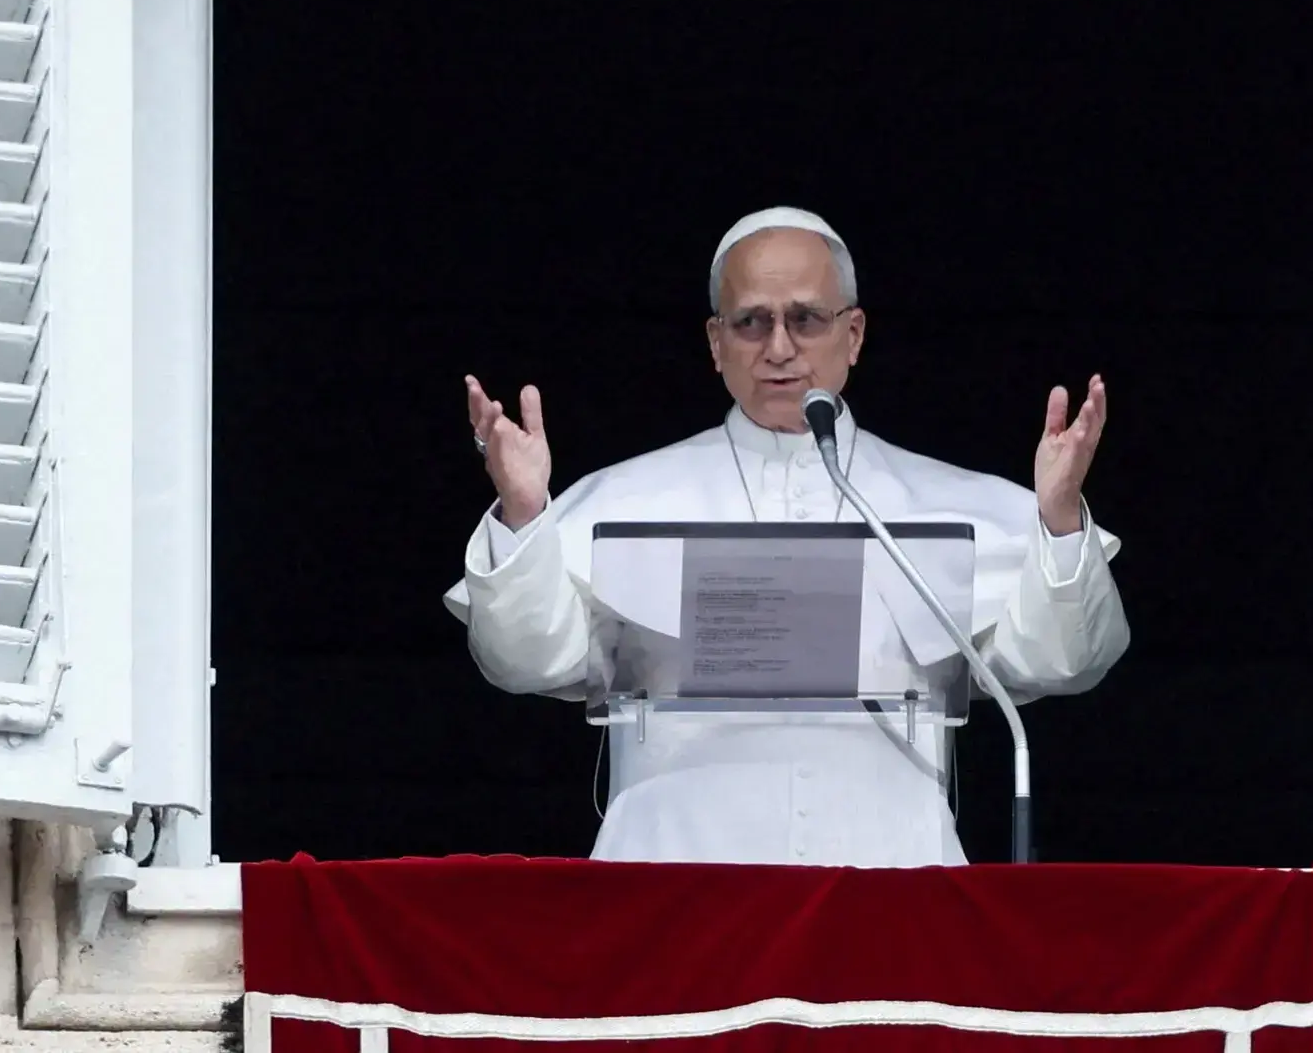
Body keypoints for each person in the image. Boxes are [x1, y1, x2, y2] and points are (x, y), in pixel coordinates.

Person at [445, 206, 1130, 866]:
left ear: (854, 333)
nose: (779, 347)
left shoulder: (951, 503)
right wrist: (528, 515)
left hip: (890, 879)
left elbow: (1059, 665)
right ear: (716, 343)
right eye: (751, 322)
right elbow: (525, 662)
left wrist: (1059, 522)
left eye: (806, 318)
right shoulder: (623, 501)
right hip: (672, 879)